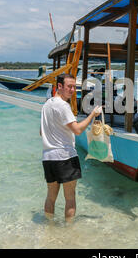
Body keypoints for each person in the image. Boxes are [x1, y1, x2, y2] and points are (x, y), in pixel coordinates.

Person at [40, 73, 101, 222]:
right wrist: (93, 114)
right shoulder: (63, 105)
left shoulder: (47, 104)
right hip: (65, 157)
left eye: (74, 87)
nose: (72, 90)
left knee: (51, 197)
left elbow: (42, 132)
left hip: (48, 157)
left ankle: (50, 228)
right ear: (59, 86)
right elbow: (78, 129)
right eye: (69, 86)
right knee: (70, 198)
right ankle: (69, 233)